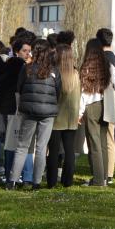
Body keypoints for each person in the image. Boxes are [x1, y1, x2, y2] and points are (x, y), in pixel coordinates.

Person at [7, 39, 60, 190]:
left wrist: (20, 108)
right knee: (41, 148)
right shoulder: (54, 71)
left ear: (34, 52)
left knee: (23, 146)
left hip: (29, 111)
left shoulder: (27, 68)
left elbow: (19, 88)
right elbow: (58, 91)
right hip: (47, 113)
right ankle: (36, 182)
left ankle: (12, 180)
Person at [79, 38, 115, 187]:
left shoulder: (86, 67)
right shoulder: (108, 65)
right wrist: (111, 96)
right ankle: (104, 177)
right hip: (106, 105)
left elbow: (83, 94)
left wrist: (79, 112)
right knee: (104, 142)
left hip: (91, 107)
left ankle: (98, 180)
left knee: (94, 144)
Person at [0, 34, 34, 185]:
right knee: (21, 142)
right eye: (25, 51)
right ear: (17, 51)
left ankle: (10, 173)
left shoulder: (6, 65)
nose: (28, 54)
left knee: (10, 142)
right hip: (17, 107)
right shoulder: (22, 67)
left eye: (29, 51)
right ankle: (25, 176)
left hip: (7, 106)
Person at [46, 43, 82, 188]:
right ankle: (68, 180)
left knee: (53, 151)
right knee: (69, 150)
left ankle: (52, 180)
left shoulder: (55, 73)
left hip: (56, 117)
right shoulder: (76, 74)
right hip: (71, 117)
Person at [95, 28, 115, 182]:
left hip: (102, 99)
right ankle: (109, 172)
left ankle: (104, 171)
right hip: (113, 100)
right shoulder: (114, 58)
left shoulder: (101, 58)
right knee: (110, 137)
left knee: (103, 137)